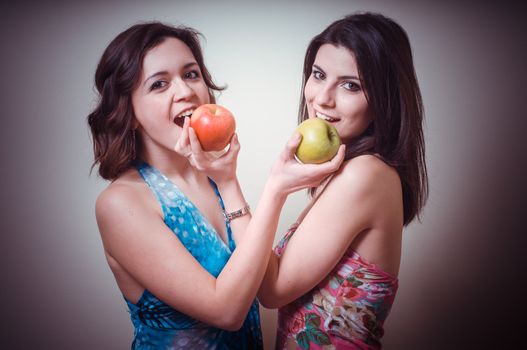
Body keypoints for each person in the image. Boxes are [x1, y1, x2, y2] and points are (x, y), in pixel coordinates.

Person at [87, 22, 345, 349]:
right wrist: (276, 189)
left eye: (191, 74)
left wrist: (228, 180)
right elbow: (226, 311)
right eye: (159, 84)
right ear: (130, 111)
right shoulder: (121, 204)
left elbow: (264, 284)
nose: (184, 91)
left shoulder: (214, 178)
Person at [257, 13, 428, 349]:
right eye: (318, 75)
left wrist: (255, 188)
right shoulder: (345, 171)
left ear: (384, 100)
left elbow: (271, 290)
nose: (322, 98)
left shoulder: (365, 175)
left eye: (351, 85)